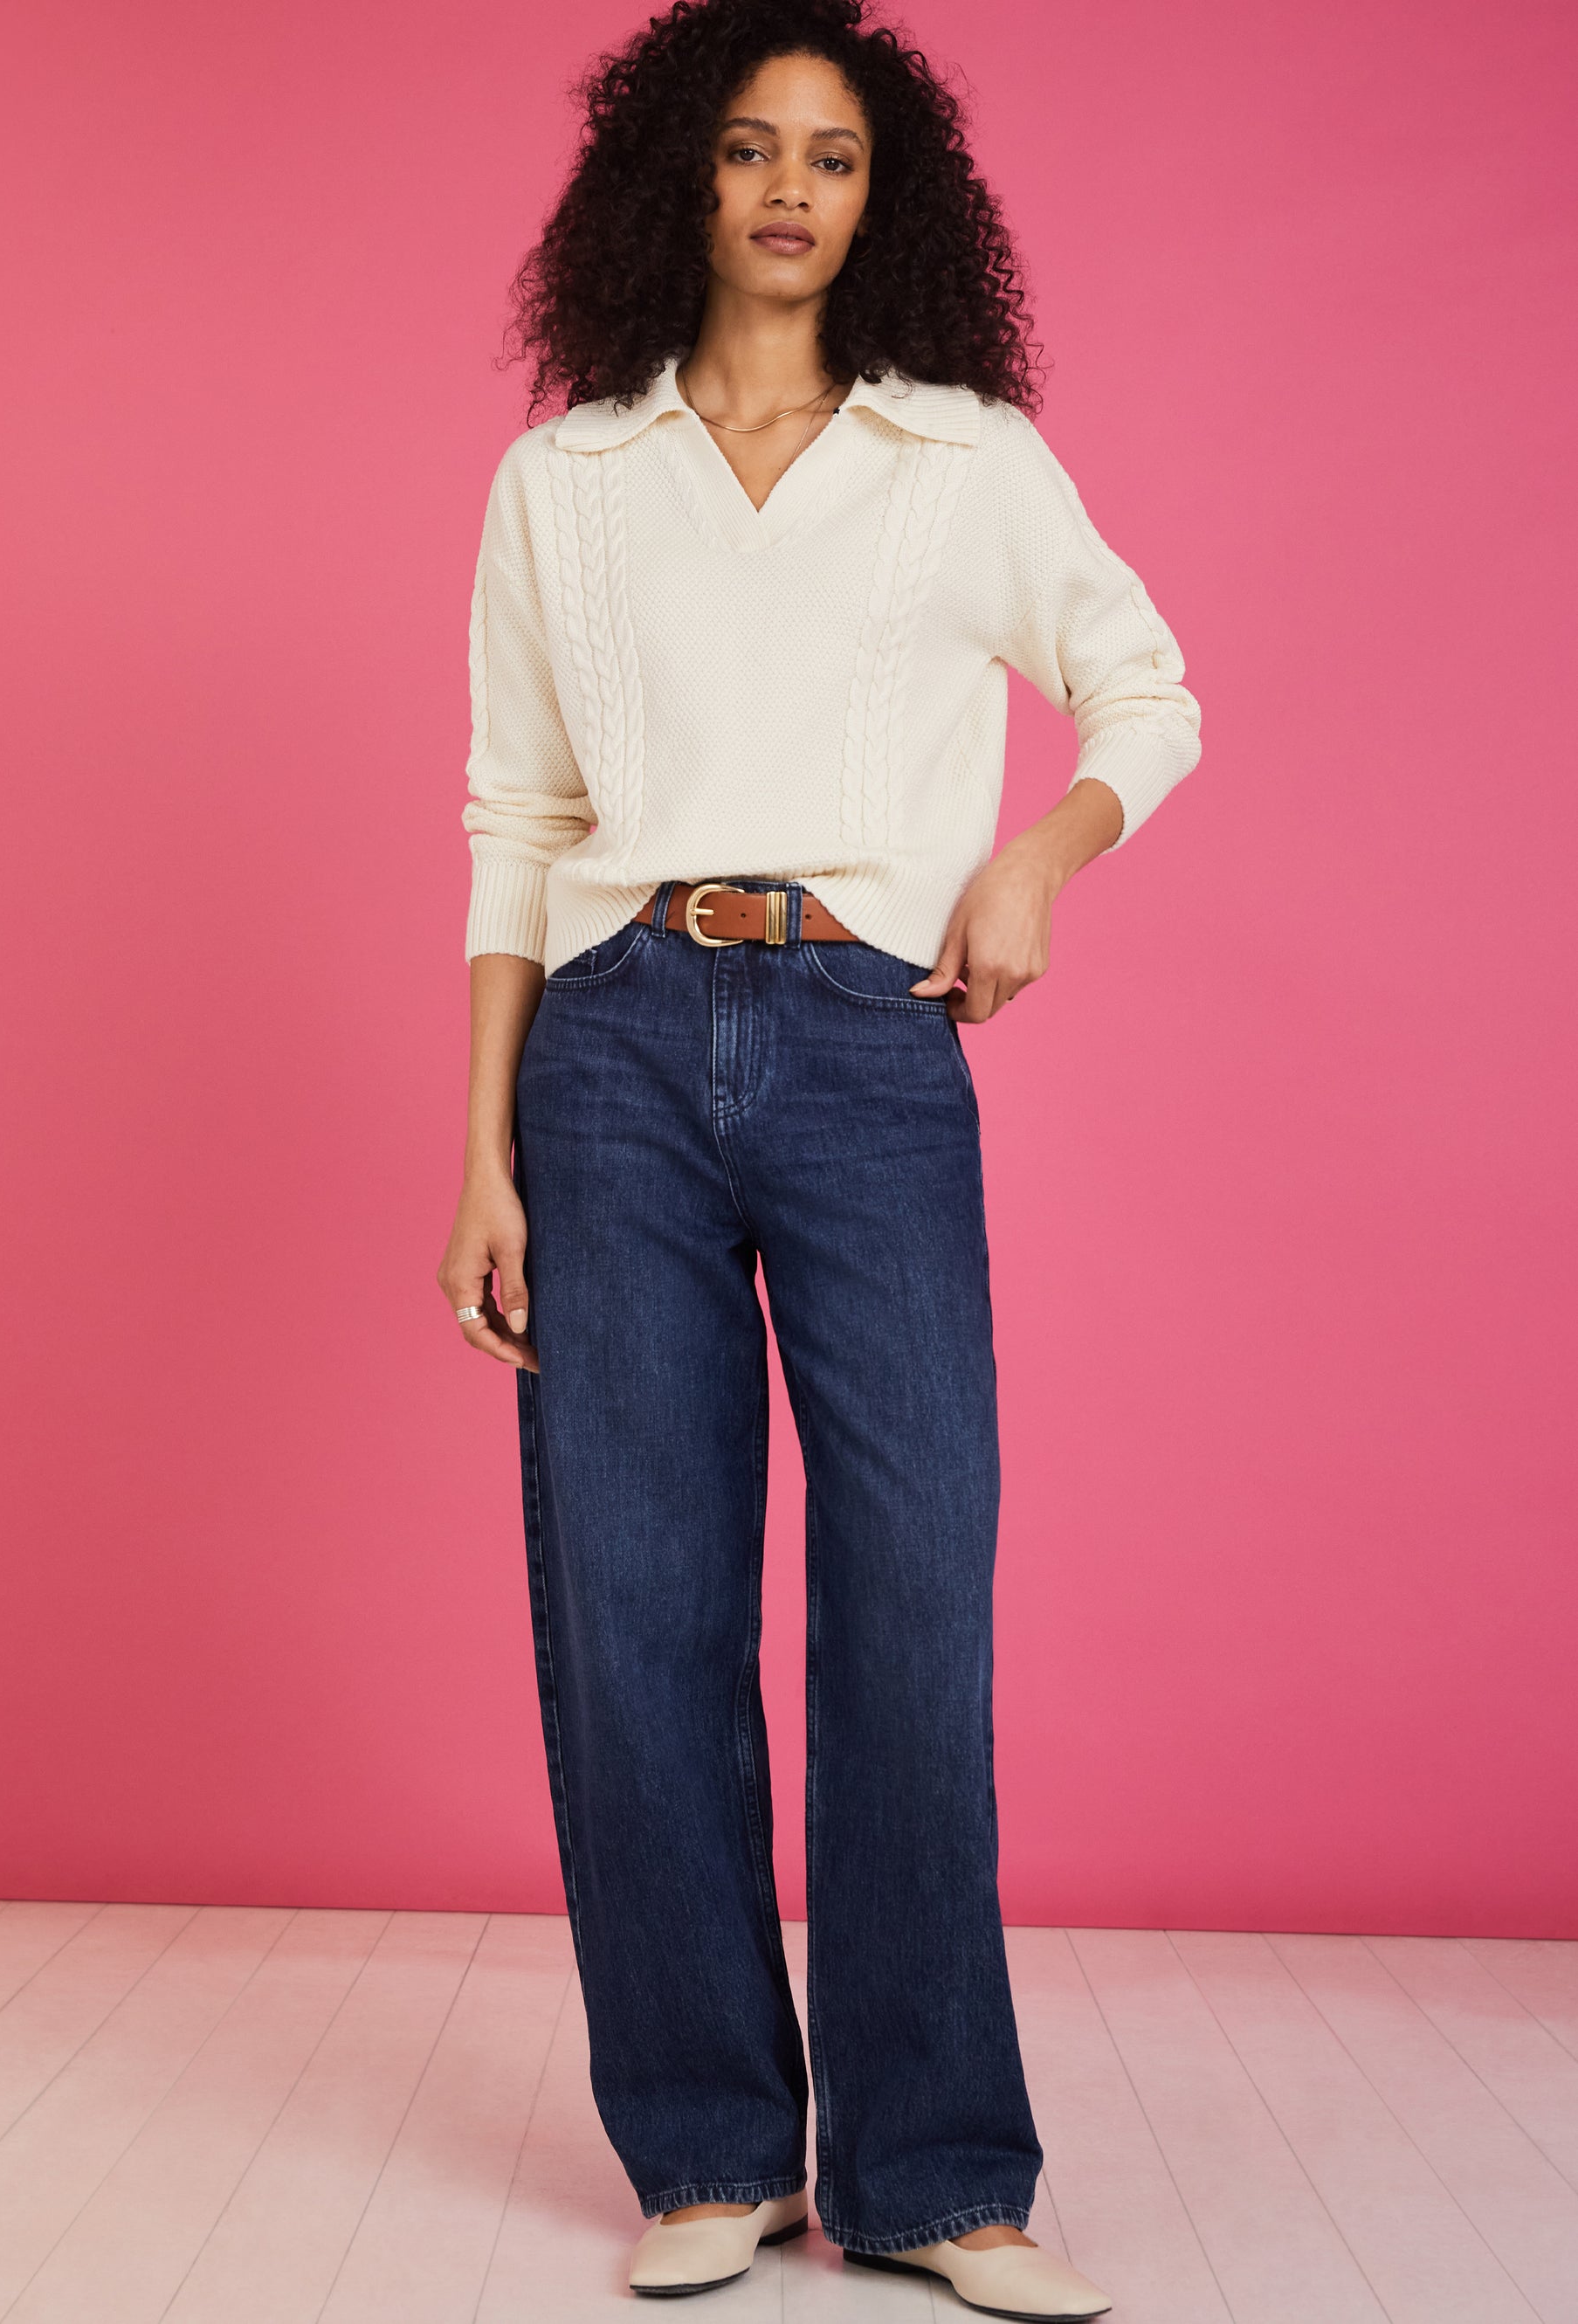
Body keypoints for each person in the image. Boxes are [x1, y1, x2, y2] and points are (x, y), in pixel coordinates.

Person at [441, 0, 1199, 2310]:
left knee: (912, 1592)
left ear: (888, 200)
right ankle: (705, 2148)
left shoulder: (960, 455)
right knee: (636, 1607)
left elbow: (1145, 688)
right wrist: (479, 1154)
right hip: (607, 1051)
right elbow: (512, 821)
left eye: (836, 156)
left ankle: (939, 2174)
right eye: (752, 146)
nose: (790, 187)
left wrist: (1035, 860)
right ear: (674, 172)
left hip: (868, 1041)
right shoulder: (566, 478)